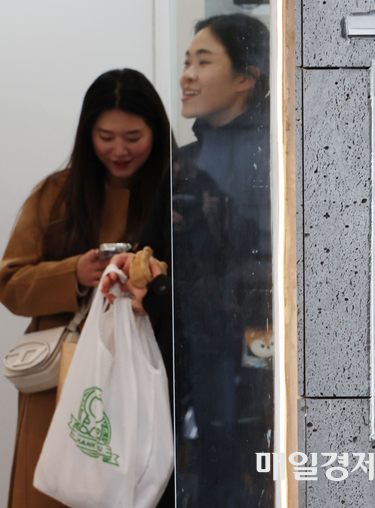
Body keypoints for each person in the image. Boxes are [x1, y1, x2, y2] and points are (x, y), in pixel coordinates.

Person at [104, 13, 273, 507]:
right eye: (185, 62)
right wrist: (138, 275)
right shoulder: (184, 164)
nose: (186, 76)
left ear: (246, 77)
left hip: (256, 363)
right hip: (187, 363)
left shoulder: (281, 156)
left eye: (203, 62)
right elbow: (151, 258)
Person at [0, 68, 171, 508]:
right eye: (105, 136)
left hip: (141, 378)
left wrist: (150, 284)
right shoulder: (56, 194)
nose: (119, 150)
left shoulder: (177, 195)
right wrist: (74, 274)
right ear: (87, 134)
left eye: (133, 137)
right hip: (59, 383)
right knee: (52, 488)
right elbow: (10, 284)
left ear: (156, 132)